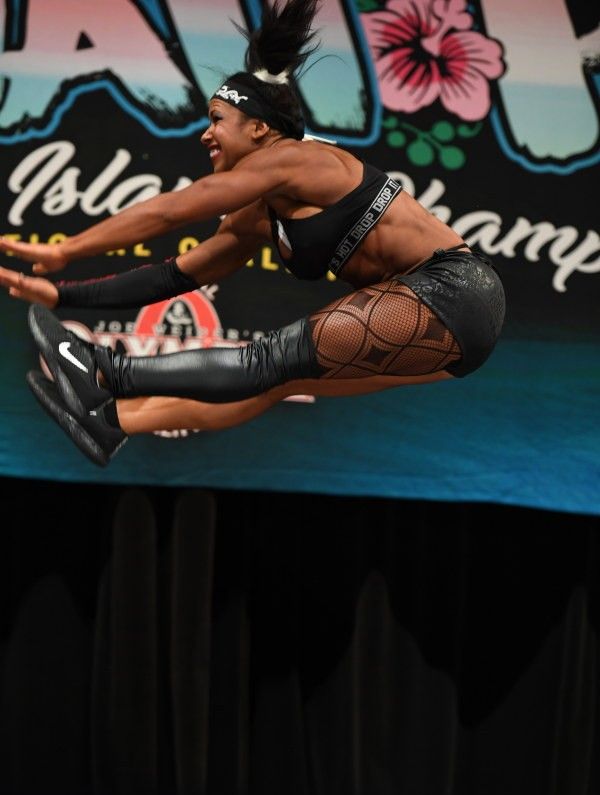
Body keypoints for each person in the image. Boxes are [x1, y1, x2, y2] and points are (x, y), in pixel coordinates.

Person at [0, 0, 505, 468]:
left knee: (268, 359)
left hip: (454, 292)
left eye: (217, 120)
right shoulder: (258, 215)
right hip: (445, 336)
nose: (205, 133)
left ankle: (104, 371)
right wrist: (63, 295)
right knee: (273, 382)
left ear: (260, 129)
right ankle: (111, 420)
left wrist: (67, 249)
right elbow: (173, 277)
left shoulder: (297, 159)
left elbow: (170, 212)